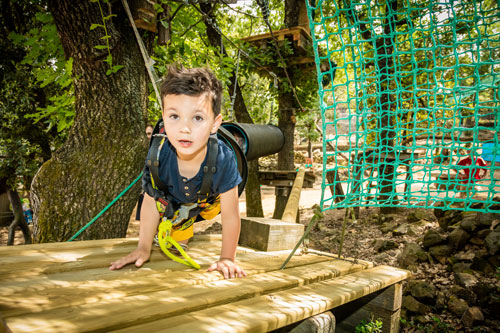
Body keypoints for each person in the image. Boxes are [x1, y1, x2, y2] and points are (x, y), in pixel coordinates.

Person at [110, 65, 246, 279]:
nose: (185, 128)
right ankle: (179, 229)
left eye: (198, 118)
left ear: (214, 124)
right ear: (163, 118)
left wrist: (227, 258)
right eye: (175, 116)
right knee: (176, 242)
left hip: (210, 201)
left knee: (205, 212)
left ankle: (185, 223)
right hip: (175, 200)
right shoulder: (158, 156)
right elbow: (150, 201)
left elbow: (230, 216)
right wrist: (143, 247)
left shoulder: (222, 157)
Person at [135, 124, 154, 221]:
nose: (148, 136)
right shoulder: (140, 150)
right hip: (144, 191)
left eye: (150, 133)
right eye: (147, 134)